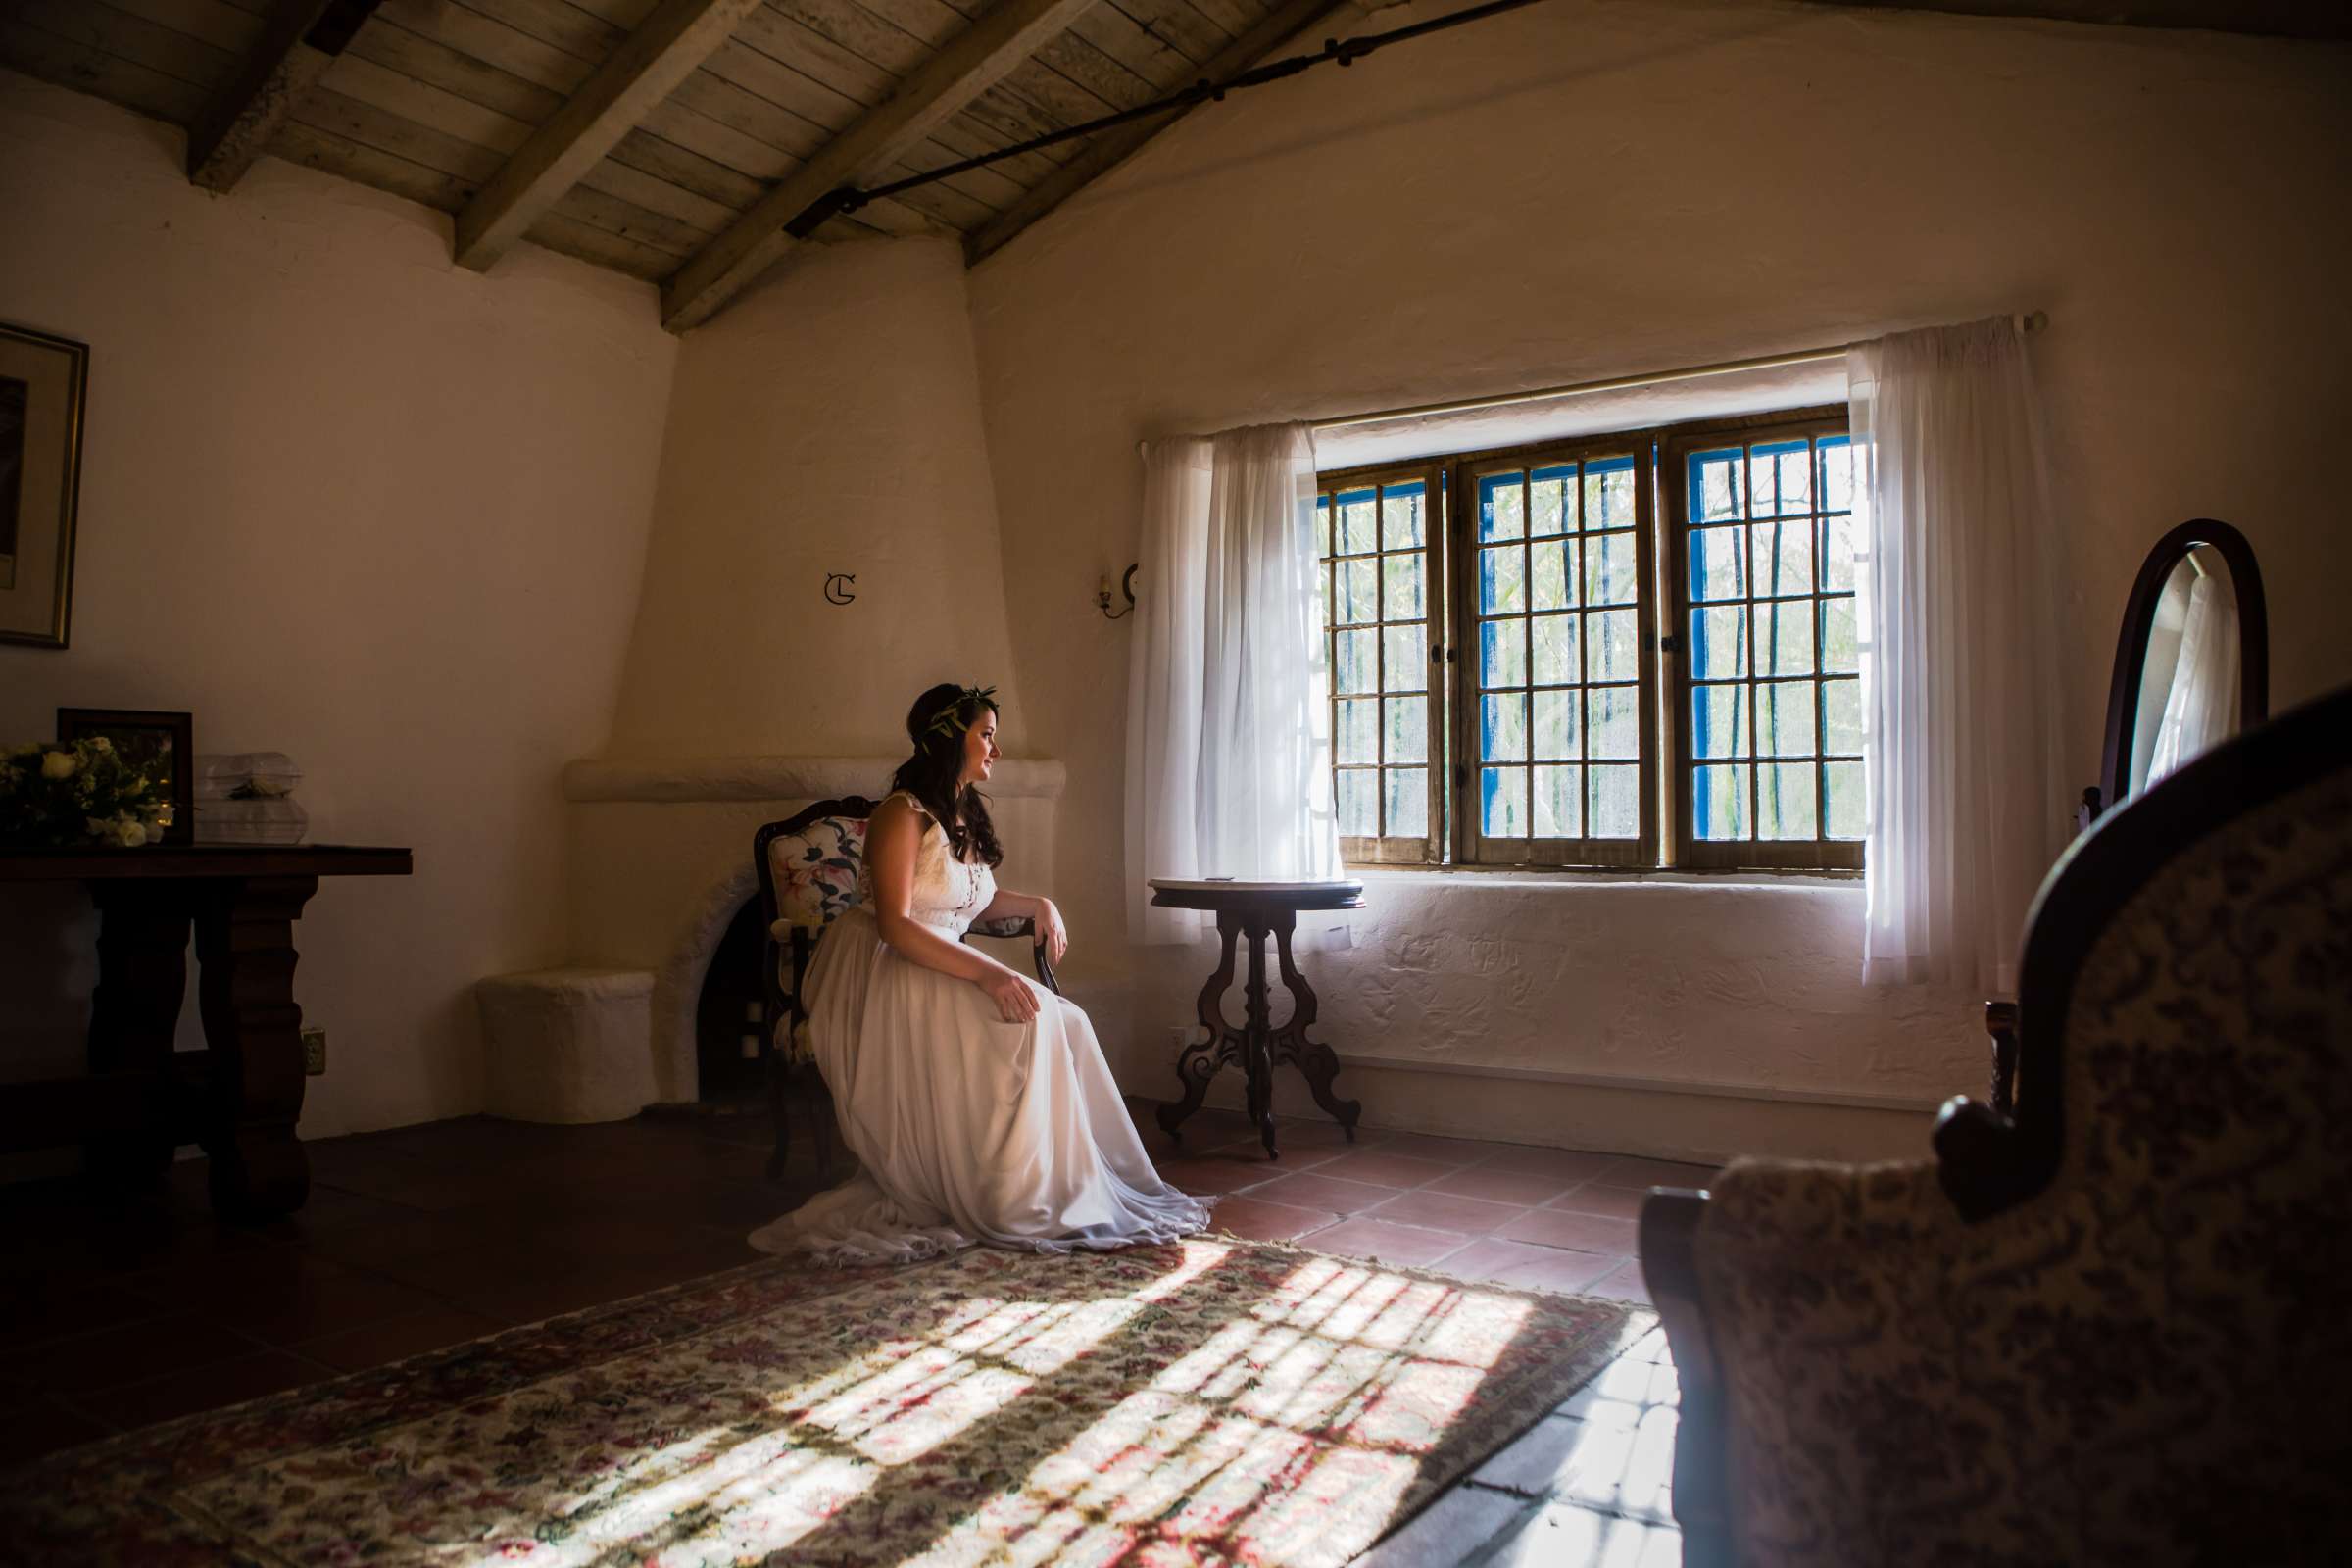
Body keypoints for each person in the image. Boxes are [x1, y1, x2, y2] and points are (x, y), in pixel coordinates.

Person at [749, 682, 1213, 1263]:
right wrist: (989, 976)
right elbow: (896, 923)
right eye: (986, 735)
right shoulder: (901, 813)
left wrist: (1038, 903)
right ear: (950, 739)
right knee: (1029, 1023)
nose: (995, 749)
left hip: (939, 952)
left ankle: (1063, 1186)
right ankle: (1006, 1195)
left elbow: (967, 901)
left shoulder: (959, 810)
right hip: (888, 963)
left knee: (1069, 1021)